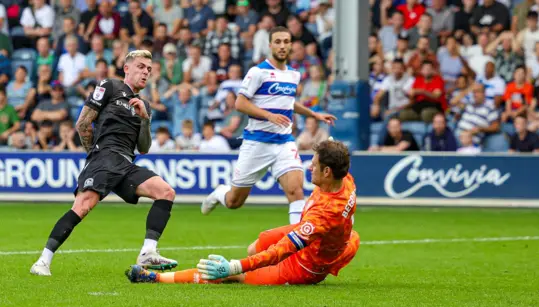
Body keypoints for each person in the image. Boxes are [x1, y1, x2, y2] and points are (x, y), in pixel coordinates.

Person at [126, 140, 359, 286]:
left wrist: (235, 266)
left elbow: (281, 251)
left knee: (232, 275)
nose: (309, 166)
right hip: (321, 241)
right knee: (255, 246)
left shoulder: (324, 214)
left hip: (305, 266)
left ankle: (154, 278)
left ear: (327, 171)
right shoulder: (345, 179)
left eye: (315, 164)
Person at [30, 50, 178, 277]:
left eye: (149, 69)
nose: (145, 72)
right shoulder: (110, 86)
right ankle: (42, 261)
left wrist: (145, 120)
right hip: (105, 157)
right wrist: (95, 155)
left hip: (127, 163)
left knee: (165, 192)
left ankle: (148, 252)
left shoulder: (144, 105)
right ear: (126, 68)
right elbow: (82, 124)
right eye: (140, 66)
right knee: (82, 207)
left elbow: (145, 148)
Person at [200, 27, 336, 225]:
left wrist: (313, 113)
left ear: (290, 45)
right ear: (270, 45)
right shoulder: (258, 72)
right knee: (234, 201)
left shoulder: (293, 75)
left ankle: (297, 245)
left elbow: (288, 101)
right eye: (278, 42)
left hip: (284, 142)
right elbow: (240, 103)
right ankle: (220, 193)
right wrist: (269, 116)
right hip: (257, 142)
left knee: (296, 191)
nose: (282, 46)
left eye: (286, 42)